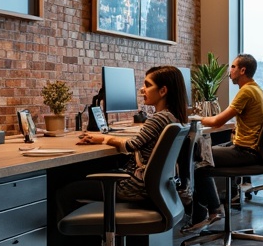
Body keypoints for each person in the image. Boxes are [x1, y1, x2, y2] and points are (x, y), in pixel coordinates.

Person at [57, 65, 189, 221]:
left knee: (65, 191)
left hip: (132, 188)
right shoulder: (172, 118)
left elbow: (131, 145)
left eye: (147, 85)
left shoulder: (158, 118)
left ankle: (84, 239)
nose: (142, 90)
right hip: (151, 188)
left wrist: (105, 138)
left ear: (163, 91)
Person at [186, 53, 263, 231]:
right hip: (252, 150)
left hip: (246, 152)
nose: (229, 71)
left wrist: (195, 118)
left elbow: (217, 122)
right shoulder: (256, 89)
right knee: (207, 150)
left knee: (197, 155)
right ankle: (214, 205)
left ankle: (210, 210)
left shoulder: (246, 91)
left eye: (232, 67)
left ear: (242, 70)